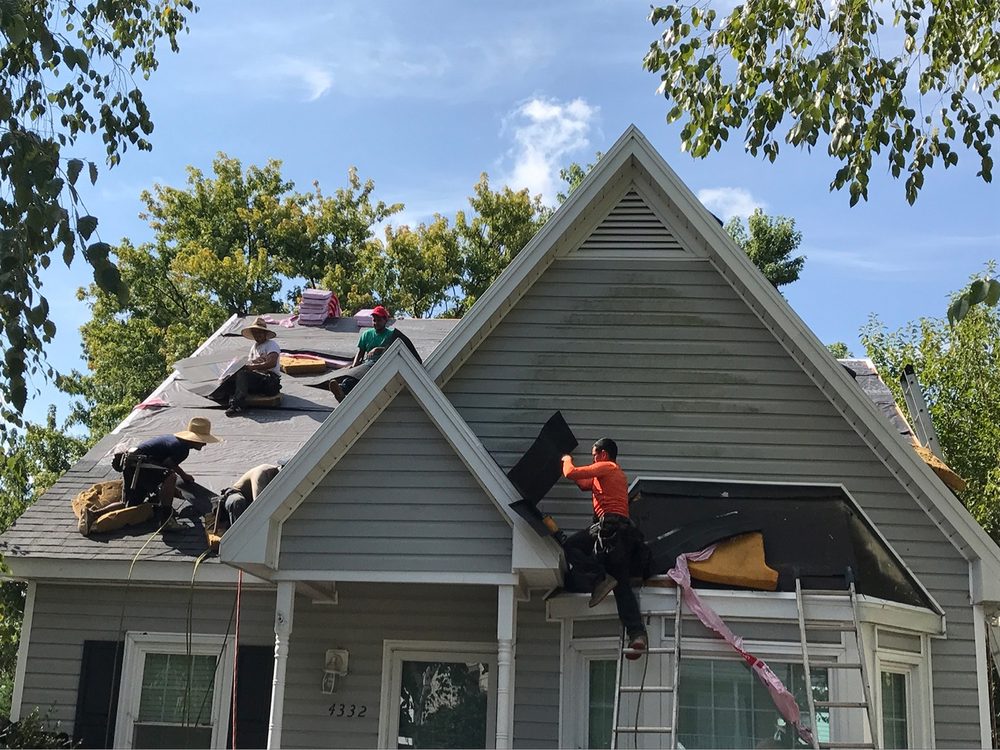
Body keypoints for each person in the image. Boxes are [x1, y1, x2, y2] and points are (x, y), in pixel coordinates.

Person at [562, 438, 649, 659]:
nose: (593, 459)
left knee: (570, 545)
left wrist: (565, 459)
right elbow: (583, 483)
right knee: (622, 587)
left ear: (603, 454)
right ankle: (637, 635)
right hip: (622, 536)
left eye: (594, 455)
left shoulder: (608, 467)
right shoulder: (609, 476)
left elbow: (571, 473)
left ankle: (600, 579)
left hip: (609, 528)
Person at [95, 417, 222, 533]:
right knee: (170, 476)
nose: (204, 444)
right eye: (203, 441)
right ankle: (166, 519)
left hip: (131, 465)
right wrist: (182, 477)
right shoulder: (182, 448)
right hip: (141, 466)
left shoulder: (174, 440)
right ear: (195, 439)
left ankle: (95, 513)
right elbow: (167, 465)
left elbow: (159, 467)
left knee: (129, 504)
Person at [329, 305, 421, 401]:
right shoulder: (367, 334)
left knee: (363, 377)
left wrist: (379, 349)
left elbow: (397, 349)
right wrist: (354, 366)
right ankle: (341, 390)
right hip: (368, 364)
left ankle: (344, 390)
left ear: (385, 320)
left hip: (383, 365)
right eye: (374, 320)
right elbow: (360, 352)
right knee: (355, 376)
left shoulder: (392, 335)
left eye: (379, 320)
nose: (376, 323)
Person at [219, 317, 282, 417]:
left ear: (265, 333)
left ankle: (237, 405)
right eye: (255, 333)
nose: (257, 335)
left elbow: (272, 363)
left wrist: (251, 368)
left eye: (259, 332)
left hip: (270, 381)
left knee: (242, 374)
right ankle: (221, 395)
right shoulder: (254, 347)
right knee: (231, 376)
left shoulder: (271, 345)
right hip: (257, 379)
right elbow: (250, 362)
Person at [216, 463, 281, 530]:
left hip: (250, 502)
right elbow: (258, 504)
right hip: (235, 495)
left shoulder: (280, 479)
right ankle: (239, 533)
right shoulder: (262, 473)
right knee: (238, 501)